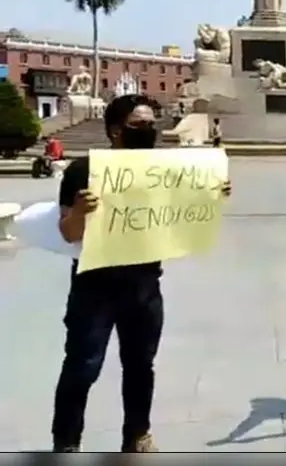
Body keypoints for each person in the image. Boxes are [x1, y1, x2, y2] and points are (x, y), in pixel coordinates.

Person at [52, 94, 232, 452]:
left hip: (145, 286)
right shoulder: (82, 171)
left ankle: (137, 435)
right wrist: (79, 212)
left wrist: (213, 195)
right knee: (83, 366)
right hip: (94, 287)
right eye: (139, 124)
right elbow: (68, 233)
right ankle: (67, 443)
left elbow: (182, 212)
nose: (148, 130)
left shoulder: (165, 171)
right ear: (115, 130)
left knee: (140, 366)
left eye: (152, 123)